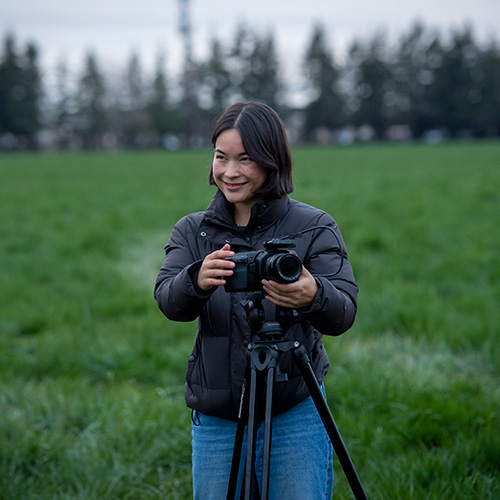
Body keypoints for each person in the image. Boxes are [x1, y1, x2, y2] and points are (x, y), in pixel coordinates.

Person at [154, 101, 358, 499]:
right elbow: (168, 302)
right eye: (221, 157)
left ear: (271, 161)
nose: (230, 172)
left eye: (245, 159)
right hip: (218, 419)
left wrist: (312, 294)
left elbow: (344, 312)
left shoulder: (314, 226)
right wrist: (196, 279)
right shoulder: (193, 231)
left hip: (293, 413)